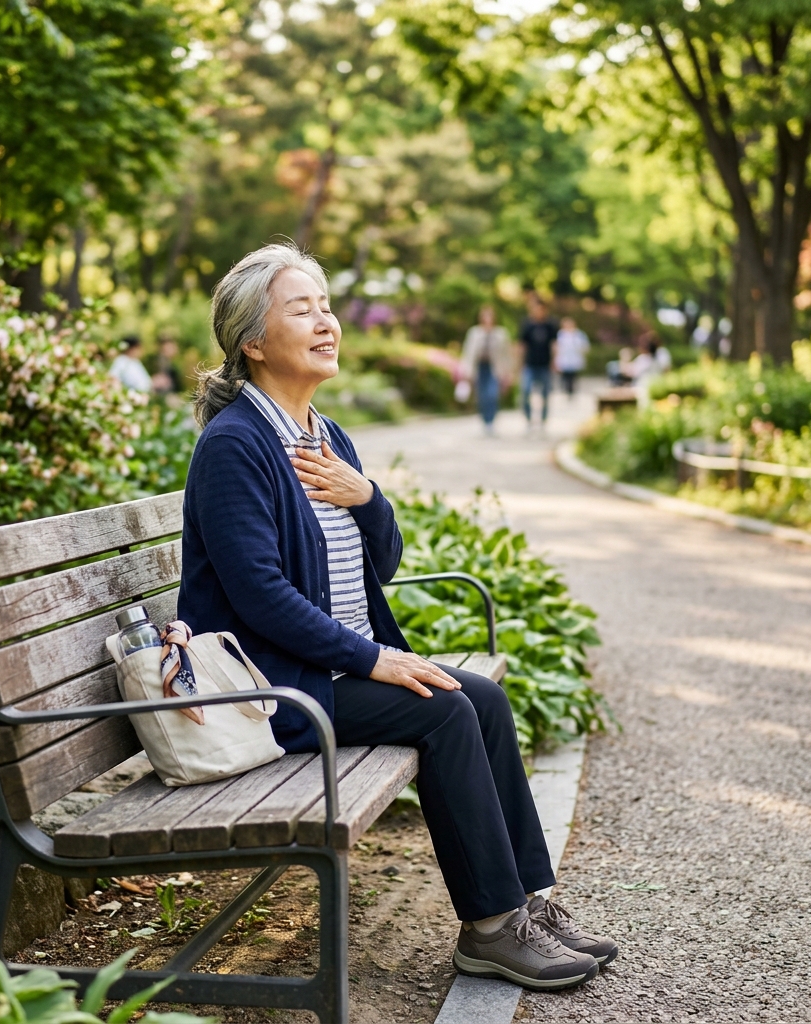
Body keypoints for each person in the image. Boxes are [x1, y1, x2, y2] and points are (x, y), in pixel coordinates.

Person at [180, 244, 617, 991]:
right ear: (253, 342)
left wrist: (367, 496)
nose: (326, 322)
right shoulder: (236, 447)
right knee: (445, 711)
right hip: (273, 687)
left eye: (326, 305)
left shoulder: (325, 435)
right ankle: (488, 930)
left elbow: (381, 562)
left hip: (327, 668)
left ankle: (530, 907)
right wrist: (372, 659)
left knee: (482, 696)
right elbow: (258, 594)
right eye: (302, 308)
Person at [459, 306, 513, 435]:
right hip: (480, 368)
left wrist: (508, 372)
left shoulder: (501, 333)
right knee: (482, 397)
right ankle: (485, 421)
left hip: (494, 369)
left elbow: (506, 354)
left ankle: (491, 421)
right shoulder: (475, 332)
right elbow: (468, 353)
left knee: (492, 395)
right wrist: (465, 371)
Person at [518, 298, 558, 428]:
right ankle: (529, 419)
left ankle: (543, 420)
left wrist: (554, 361)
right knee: (525, 392)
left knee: (545, 394)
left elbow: (554, 344)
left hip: (545, 365)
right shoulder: (527, 324)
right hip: (530, 365)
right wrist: (519, 363)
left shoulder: (550, 325)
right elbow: (522, 345)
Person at [555, 317, 589, 397]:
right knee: (565, 376)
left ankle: (572, 391)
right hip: (564, 359)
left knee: (573, 376)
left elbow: (585, 346)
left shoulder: (579, 334)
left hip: (575, 359)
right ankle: (566, 390)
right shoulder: (560, 334)